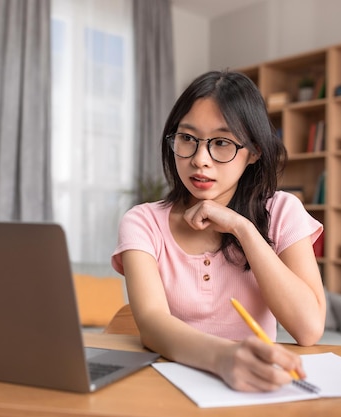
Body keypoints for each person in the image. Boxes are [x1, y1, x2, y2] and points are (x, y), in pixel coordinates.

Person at [111, 70, 325, 392]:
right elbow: (152, 325)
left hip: (255, 391)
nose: (200, 160)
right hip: (167, 389)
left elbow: (308, 329)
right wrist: (224, 358)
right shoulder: (143, 222)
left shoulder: (282, 211)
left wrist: (243, 228)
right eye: (187, 138)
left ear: (253, 151)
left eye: (222, 143)